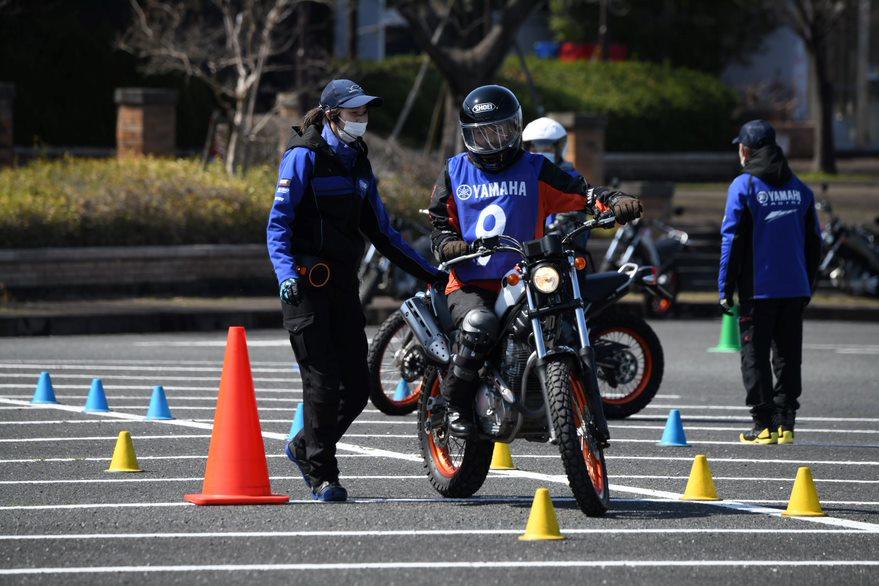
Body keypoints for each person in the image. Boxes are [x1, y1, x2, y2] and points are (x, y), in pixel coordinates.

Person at [428, 85, 642, 438]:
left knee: (558, 315)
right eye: (481, 134)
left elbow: (582, 193)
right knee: (479, 324)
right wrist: (449, 245)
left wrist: (614, 200)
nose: (492, 141)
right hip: (470, 282)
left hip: (524, 276)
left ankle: (545, 401)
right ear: (467, 136)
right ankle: (452, 404)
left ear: (515, 129)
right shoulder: (454, 171)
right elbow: (439, 224)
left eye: (500, 130)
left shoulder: (536, 168)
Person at [266, 79, 440, 501]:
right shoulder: (303, 156)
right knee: (322, 382)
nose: (362, 120)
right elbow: (278, 225)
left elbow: (383, 232)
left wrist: (432, 273)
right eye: (354, 113)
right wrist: (286, 273)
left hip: (343, 286)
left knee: (358, 388)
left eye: (365, 113)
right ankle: (323, 473)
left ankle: (303, 446)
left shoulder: (357, 159)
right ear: (331, 116)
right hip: (304, 287)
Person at [718, 119, 821, 445]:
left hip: (757, 289)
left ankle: (763, 425)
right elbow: (814, 243)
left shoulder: (743, 186)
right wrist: (808, 285)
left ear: (745, 150)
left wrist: (725, 287)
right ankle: (786, 423)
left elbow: (731, 240)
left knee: (754, 355)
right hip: (794, 288)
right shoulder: (801, 188)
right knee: (788, 356)